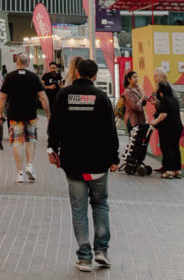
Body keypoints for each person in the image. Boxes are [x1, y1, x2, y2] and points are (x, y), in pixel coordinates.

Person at [47, 58, 120, 272]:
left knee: (78, 209)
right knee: (100, 204)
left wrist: (52, 149)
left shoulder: (64, 95)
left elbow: (55, 125)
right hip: (98, 163)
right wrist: (114, 158)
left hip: (73, 162)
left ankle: (85, 257)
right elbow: (110, 131)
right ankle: (101, 251)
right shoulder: (102, 97)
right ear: (95, 76)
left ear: (77, 73)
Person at [0, 52, 49, 182]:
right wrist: (48, 114)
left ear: (17, 63)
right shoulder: (34, 77)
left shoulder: (9, 77)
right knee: (30, 140)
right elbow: (43, 97)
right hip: (31, 114)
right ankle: (30, 165)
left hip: (14, 115)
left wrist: (0, 113)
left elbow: (2, 97)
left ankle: (20, 173)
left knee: (16, 142)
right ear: (28, 63)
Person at [152, 80, 183, 179]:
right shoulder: (174, 99)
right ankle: (177, 170)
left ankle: (169, 171)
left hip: (167, 128)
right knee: (175, 148)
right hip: (177, 127)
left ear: (161, 91)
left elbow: (163, 114)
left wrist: (154, 122)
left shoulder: (164, 99)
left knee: (166, 147)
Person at [122, 70, 148, 135]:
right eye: (134, 77)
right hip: (132, 121)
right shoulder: (128, 91)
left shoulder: (137, 89)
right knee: (134, 143)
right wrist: (142, 98)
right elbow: (134, 107)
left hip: (140, 120)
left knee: (140, 142)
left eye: (137, 77)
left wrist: (142, 93)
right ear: (129, 79)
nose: (136, 79)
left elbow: (143, 103)